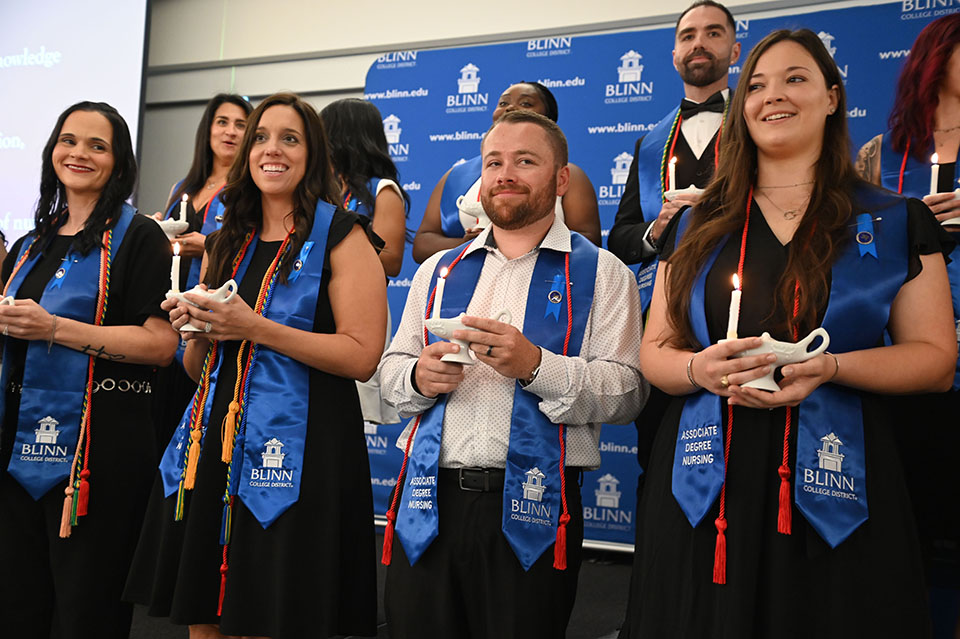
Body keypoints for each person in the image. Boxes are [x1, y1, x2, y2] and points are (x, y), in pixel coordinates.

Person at [620, 29, 956, 638]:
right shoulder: (695, 223)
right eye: (756, 85)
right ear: (741, 106)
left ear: (832, 97)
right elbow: (656, 353)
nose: (772, 96)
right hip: (705, 482)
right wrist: (703, 370)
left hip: (845, 481)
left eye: (795, 79)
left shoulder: (894, 218)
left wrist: (831, 368)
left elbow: (935, 361)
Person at [124, 93, 386, 638]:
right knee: (206, 620)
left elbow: (362, 356)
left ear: (312, 155)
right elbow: (201, 369)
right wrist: (193, 333)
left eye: (290, 139)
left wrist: (255, 328)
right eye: (261, 138)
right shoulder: (227, 242)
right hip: (215, 442)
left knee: (272, 617)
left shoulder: (344, 235)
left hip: (304, 450)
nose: (272, 150)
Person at [379, 109, 646, 639]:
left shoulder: (603, 272)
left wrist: (536, 366)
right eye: (493, 162)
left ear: (562, 178)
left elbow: (628, 392)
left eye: (525, 161)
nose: (504, 174)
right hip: (429, 504)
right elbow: (389, 372)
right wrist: (417, 378)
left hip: (537, 505)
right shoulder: (440, 270)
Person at [0, 101, 177, 638]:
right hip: (15, 448)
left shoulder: (140, 236)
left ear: (118, 161)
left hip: (100, 453)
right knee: (16, 606)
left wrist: (55, 328)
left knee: (86, 612)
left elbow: (160, 344)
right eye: (68, 141)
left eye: (97, 146)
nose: (78, 154)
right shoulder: (32, 242)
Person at [855, 14, 960, 634]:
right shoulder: (881, 154)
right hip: (904, 365)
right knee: (913, 521)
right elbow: (853, 252)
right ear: (935, 56)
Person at [608, 0, 741, 311]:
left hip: (741, 292)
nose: (698, 43)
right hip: (664, 304)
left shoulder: (757, 127)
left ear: (735, 51)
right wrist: (655, 230)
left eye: (713, 33)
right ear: (674, 57)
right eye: (687, 36)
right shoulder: (650, 144)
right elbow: (619, 239)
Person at [152, 94, 253, 450]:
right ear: (208, 129)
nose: (230, 132)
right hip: (168, 306)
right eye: (222, 122)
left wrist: (206, 243)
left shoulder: (246, 191)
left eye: (241, 125)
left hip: (209, 316)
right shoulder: (183, 187)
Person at [411, 81, 602, 263]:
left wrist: (517, 244)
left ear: (548, 119)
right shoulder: (456, 175)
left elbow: (589, 242)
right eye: (503, 102)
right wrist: (469, 245)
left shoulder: (569, 175)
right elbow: (422, 244)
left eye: (526, 103)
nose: (510, 107)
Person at [320, 97, 409, 424]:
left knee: (347, 408)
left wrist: (341, 250)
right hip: (318, 299)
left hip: (359, 304)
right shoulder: (322, 187)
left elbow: (392, 260)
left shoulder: (382, 190)